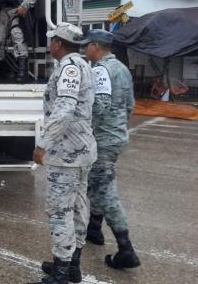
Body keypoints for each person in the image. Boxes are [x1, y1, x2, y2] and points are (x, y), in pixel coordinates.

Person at [33, 23, 96, 284]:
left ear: (59, 44)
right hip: (82, 151)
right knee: (79, 207)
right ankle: (72, 266)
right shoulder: (83, 66)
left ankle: (61, 273)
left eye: (52, 41)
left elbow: (63, 111)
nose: (50, 45)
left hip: (67, 152)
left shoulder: (69, 68)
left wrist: (42, 143)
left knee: (60, 210)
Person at [81, 29, 141, 269]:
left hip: (103, 139)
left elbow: (99, 107)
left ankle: (126, 249)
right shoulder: (123, 69)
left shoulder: (100, 70)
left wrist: (87, 131)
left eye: (87, 46)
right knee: (96, 182)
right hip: (115, 137)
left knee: (106, 191)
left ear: (96, 46)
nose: (85, 50)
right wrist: (119, 129)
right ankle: (94, 229)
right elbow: (130, 105)